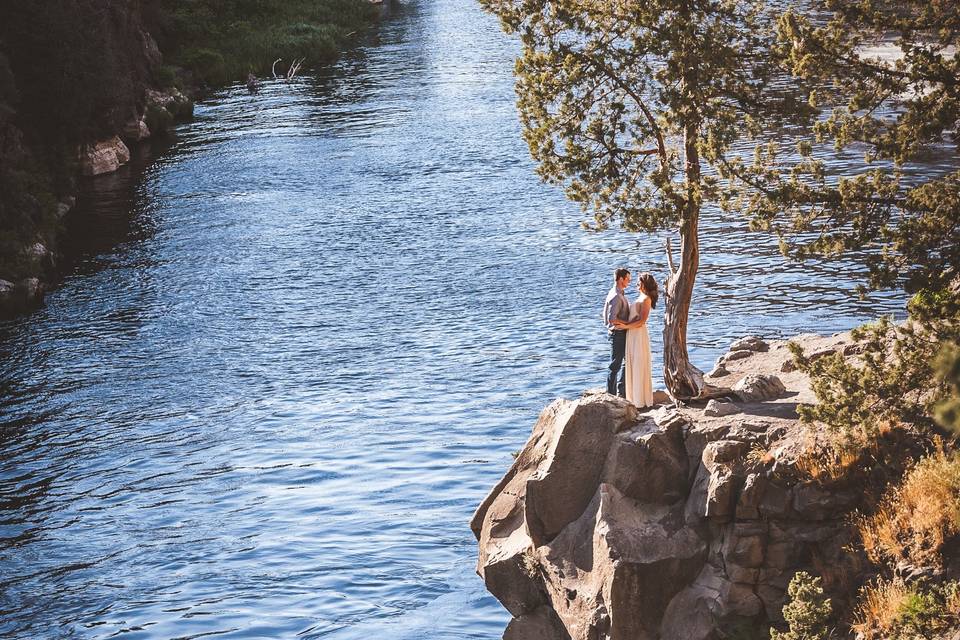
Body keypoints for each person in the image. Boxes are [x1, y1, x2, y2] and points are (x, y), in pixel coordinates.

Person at [614, 272, 659, 407]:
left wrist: (624, 325)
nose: (636, 284)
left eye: (639, 282)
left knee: (638, 364)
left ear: (644, 284)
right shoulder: (641, 297)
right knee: (632, 363)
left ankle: (640, 400)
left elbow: (641, 321)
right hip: (632, 334)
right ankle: (633, 397)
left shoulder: (646, 299)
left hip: (638, 334)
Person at [603, 268, 631, 396]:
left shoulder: (617, 292)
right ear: (621, 279)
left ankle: (621, 390)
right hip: (617, 334)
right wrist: (627, 324)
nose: (629, 281)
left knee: (626, 362)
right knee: (615, 365)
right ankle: (612, 395)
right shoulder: (616, 296)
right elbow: (612, 319)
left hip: (619, 333)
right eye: (627, 279)